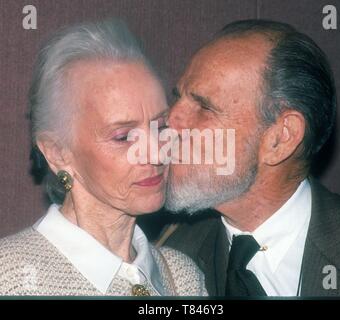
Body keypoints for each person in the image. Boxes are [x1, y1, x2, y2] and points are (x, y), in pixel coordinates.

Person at [0, 19, 206, 296]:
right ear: (57, 152)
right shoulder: (10, 277)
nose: (157, 153)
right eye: (123, 137)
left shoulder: (182, 278)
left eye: (160, 127)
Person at [162, 19, 340, 297]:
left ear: (281, 138)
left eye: (204, 106)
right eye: (178, 97)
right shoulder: (168, 264)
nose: (171, 120)